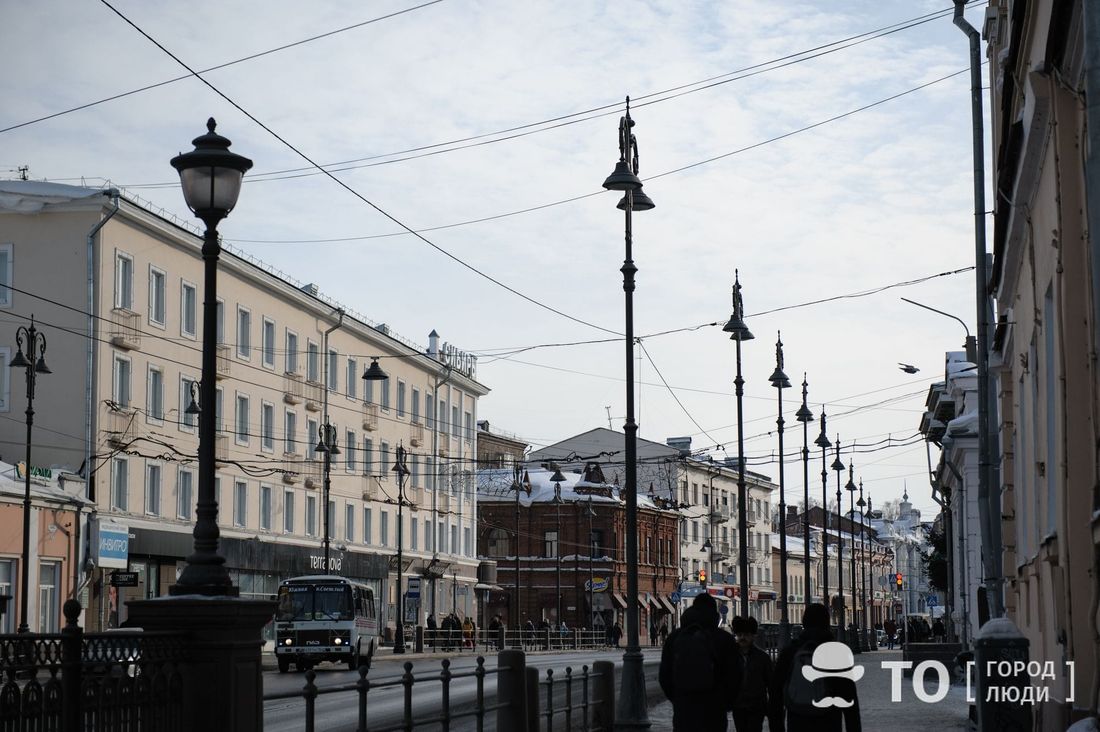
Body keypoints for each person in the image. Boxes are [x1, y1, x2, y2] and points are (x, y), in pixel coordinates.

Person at [769, 603, 861, 731]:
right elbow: (849, 697)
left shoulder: (791, 651)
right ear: (826, 623)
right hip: (829, 722)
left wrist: (777, 727)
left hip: (797, 721)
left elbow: (775, 693)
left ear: (804, 623)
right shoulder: (836, 654)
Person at [658, 593, 741, 731]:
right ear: (714, 613)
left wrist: (679, 698)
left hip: (684, 711)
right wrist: (725, 704)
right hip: (714, 712)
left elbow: (665, 676)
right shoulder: (723, 639)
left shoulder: (675, 638)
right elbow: (735, 676)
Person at [730, 616, 779, 732]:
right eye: (740, 634)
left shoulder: (762, 657)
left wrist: (772, 704)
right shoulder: (731, 656)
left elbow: (770, 682)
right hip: (738, 704)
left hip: (756, 704)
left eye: (746, 635)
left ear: (753, 636)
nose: (742, 638)